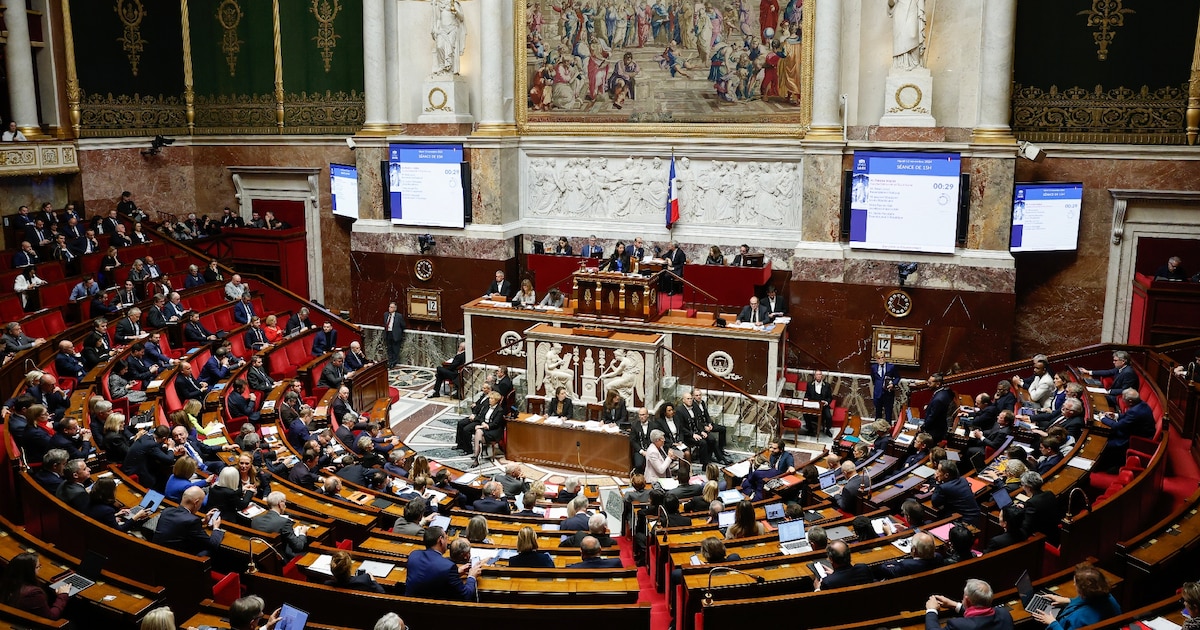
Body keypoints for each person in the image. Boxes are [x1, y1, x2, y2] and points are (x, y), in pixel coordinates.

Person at [404, 526, 480, 600]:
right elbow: (466, 595)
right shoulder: (448, 567)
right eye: (446, 537)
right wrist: (471, 576)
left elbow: (430, 576)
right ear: (441, 540)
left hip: (410, 607)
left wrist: (456, 573)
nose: (448, 540)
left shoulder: (413, 555)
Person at [154, 486, 225, 556]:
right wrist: (216, 528)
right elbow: (212, 544)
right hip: (178, 560)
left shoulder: (167, 511)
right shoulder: (192, 521)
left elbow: (182, 525)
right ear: (196, 503)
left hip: (156, 554)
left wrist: (203, 521)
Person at [0, 552, 69, 619]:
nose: (40, 568)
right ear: (29, 572)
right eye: (38, 567)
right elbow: (51, 616)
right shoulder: (33, 593)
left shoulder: (6, 582)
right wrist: (62, 595)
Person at [924, 579, 1014, 630]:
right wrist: (955, 605)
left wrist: (931, 611)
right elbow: (980, 615)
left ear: (967, 601)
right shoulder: (1004, 614)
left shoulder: (959, 626)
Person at [253, 492, 309, 560]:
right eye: (285, 503)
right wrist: (302, 533)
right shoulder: (284, 522)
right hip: (282, 558)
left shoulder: (255, 520)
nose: (285, 506)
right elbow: (298, 546)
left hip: (264, 556)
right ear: (280, 504)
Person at [929, 461, 982, 526]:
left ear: (946, 475)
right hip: (977, 517)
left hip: (964, 521)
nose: (936, 472)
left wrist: (937, 483)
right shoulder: (963, 480)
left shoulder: (944, 488)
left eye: (939, 471)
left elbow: (934, 502)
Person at [922, 373, 955, 445]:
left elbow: (932, 417)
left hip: (934, 432)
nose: (927, 384)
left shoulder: (938, 399)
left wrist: (923, 427)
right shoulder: (945, 392)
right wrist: (930, 407)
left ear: (938, 384)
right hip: (941, 427)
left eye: (930, 383)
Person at [872, 351, 900, 424]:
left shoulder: (891, 367)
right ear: (876, 359)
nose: (881, 359)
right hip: (878, 393)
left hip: (888, 393)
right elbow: (873, 379)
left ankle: (888, 429)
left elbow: (897, 377)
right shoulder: (874, 367)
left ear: (885, 358)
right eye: (879, 358)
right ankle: (877, 428)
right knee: (878, 412)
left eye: (882, 357)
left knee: (888, 412)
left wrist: (893, 384)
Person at [804, 370, 835, 436]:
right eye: (817, 374)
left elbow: (830, 397)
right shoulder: (810, 384)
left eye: (820, 374)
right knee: (805, 414)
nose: (819, 376)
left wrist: (826, 402)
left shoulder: (827, 385)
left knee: (828, 416)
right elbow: (807, 395)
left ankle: (828, 430)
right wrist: (806, 399)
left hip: (823, 406)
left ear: (822, 376)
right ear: (815, 376)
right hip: (813, 406)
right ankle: (810, 429)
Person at [383, 301, 406, 367]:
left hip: (395, 335)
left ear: (395, 308)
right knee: (389, 348)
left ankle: (394, 362)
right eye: (389, 307)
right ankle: (390, 361)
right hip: (388, 333)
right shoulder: (386, 314)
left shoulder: (399, 316)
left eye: (392, 307)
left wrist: (399, 332)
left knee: (395, 349)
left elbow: (403, 325)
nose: (390, 308)